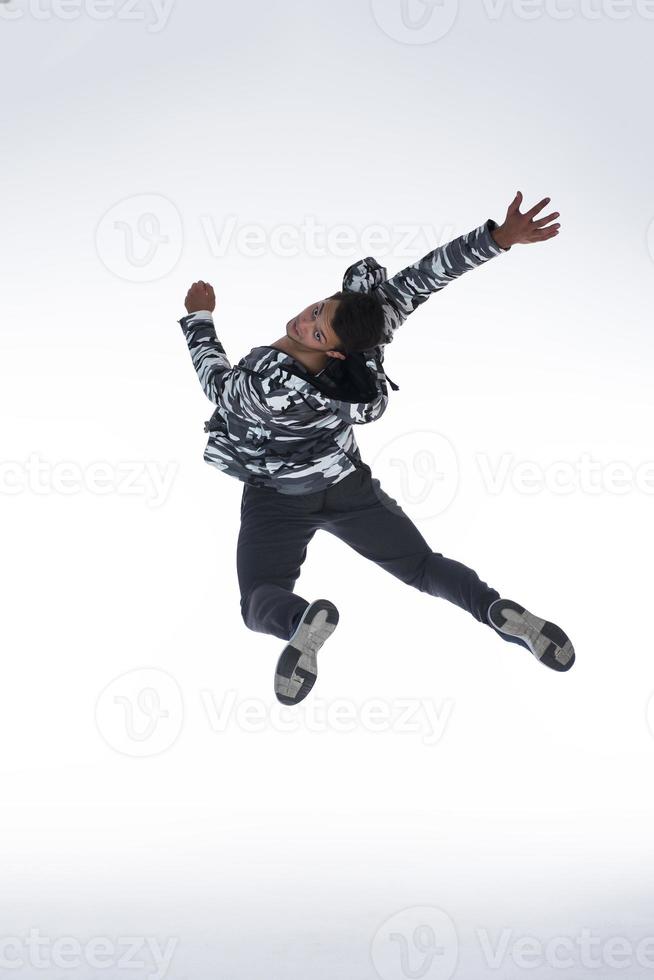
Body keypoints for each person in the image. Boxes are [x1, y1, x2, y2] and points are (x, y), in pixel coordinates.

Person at [178, 191, 575, 706]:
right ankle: (496, 611)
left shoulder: (273, 384)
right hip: (347, 487)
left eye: (316, 330)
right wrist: (499, 238)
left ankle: (299, 621)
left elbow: (218, 386)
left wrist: (200, 318)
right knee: (423, 568)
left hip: (278, 498)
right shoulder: (367, 330)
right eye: (316, 310)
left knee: (257, 599)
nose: (304, 322)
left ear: (334, 351)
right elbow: (425, 277)